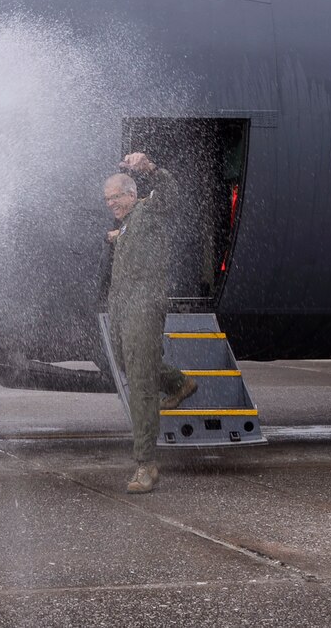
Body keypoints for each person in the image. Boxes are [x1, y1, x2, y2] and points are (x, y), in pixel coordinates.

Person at [104, 152, 198, 494]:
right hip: (121, 307)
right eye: (108, 198)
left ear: (132, 194)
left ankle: (145, 465)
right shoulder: (127, 224)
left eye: (116, 196)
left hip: (144, 306)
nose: (112, 202)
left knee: (141, 382)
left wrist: (150, 168)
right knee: (131, 363)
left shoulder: (149, 211)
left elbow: (171, 193)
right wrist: (116, 238)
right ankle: (179, 384)